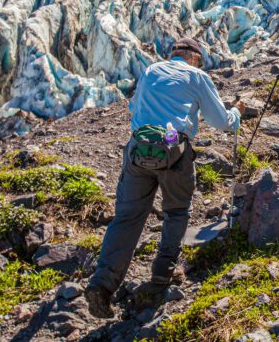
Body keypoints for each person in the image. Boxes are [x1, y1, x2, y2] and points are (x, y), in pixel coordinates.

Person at [85, 38, 243, 318]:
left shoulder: (150, 70)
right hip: (174, 151)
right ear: (195, 57)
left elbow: (134, 108)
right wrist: (236, 114)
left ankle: (102, 284)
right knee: (176, 212)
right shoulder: (197, 76)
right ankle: (162, 274)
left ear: (174, 55)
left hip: (138, 148)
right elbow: (221, 121)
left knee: (127, 217)